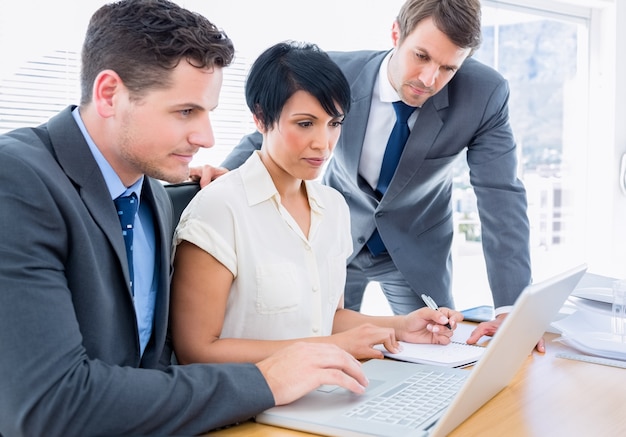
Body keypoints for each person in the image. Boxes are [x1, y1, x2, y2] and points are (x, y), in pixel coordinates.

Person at [0, 2, 369, 436]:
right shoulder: (18, 181)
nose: (207, 137)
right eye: (185, 112)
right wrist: (268, 380)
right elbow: (52, 403)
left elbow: (149, 364)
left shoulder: (152, 195)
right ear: (109, 94)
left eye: (208, 112)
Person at [195, 0, 538, 350]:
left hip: (414, 244)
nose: (429, 79)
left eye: (448, 67)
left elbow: (501, 195)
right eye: (421, 56)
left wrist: (513, 308)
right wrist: (229, 172)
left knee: (433, 346)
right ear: (396, 34)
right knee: (325, 341)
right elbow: (272, 128)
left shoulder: (484, 94)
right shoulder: (337, 72)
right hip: (331, 236)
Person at [171, 41, 462, 365]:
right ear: (261, 118)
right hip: (250, 404)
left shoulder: (333, 207)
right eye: (305, 123)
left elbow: (326, 318)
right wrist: (331, 348)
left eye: (334, 123)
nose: (323, 144)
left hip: (320, 391)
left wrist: (401, 326)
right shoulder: (220, 208)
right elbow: (196, 350)